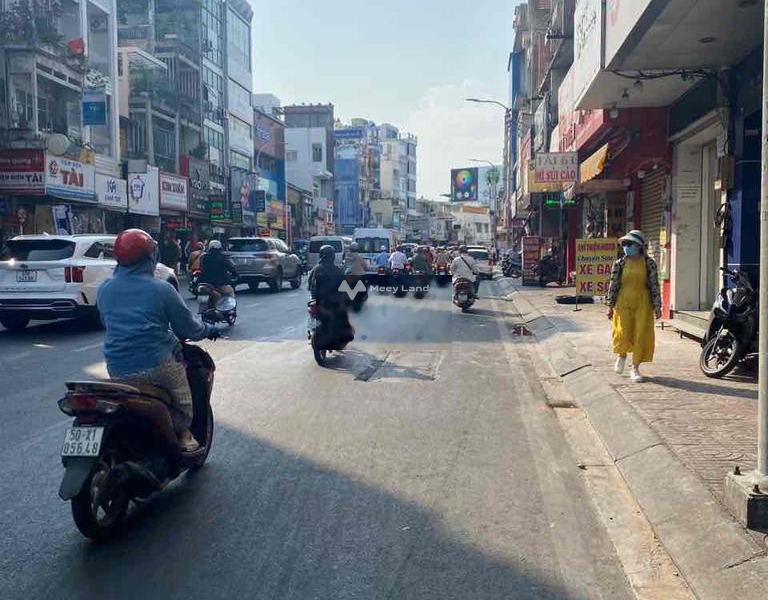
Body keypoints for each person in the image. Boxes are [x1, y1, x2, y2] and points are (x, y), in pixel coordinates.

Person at [97, 229, 219, 452]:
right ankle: (183, 433)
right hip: (157, 365)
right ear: (150, 257)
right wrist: (209, 329)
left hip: (117, 367)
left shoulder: (105, 289)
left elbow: (107, 322)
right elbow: (188, 327)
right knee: (182, 396)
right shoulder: (162, 289)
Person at [606, 230, 662, 383]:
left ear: (639, 246)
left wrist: (657, 307)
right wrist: (610, 305)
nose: (625, 247)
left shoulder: (649, 263)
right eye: (624, 244)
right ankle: (622, 355)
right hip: (623, 302)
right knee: (623, 331)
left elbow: (654, 286)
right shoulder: (620, 263)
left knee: (640, 334)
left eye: (629, 244)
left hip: (643, 303)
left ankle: (635, 367)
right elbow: (614, 284)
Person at [308, 245, 354, 348]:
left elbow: (309, 285)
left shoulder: (316, 269)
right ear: (333, 256)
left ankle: (311, 331)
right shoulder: (337, 270)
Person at [199, 240, 238, 309]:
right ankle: (230, 308)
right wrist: (235, 273)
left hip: (204, 283)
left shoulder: (204, 257)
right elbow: (230, 267)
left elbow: (201, 268)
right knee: (230, 292)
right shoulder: (222, 257)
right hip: (219, 283)